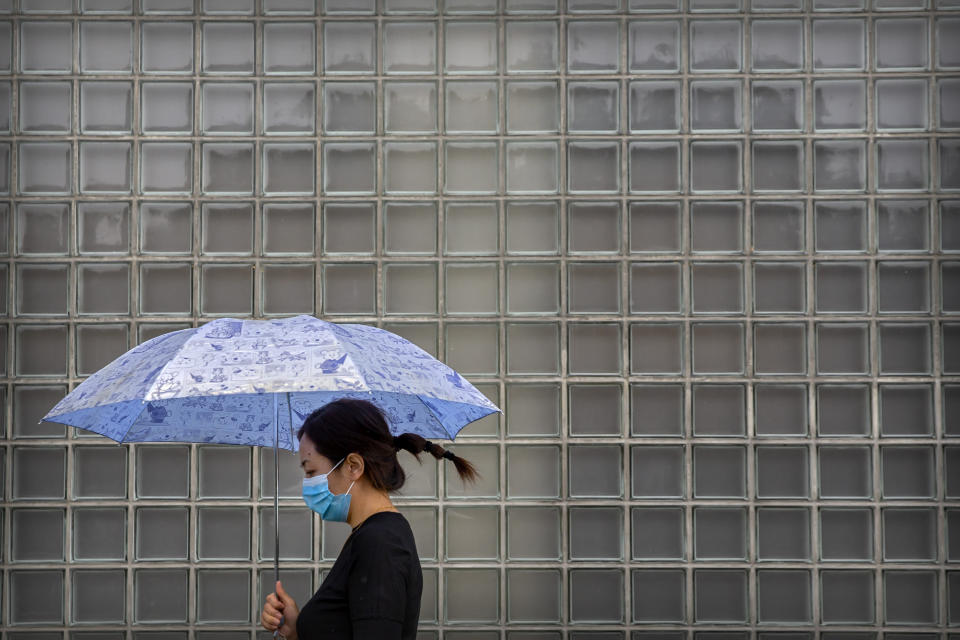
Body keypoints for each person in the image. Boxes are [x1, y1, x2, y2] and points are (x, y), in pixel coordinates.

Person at [260, 397, 478, 640]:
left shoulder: (379, 543)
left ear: (353, 466)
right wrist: (296, 630)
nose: (307, 484)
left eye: (311, 471)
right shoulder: (372, 534)